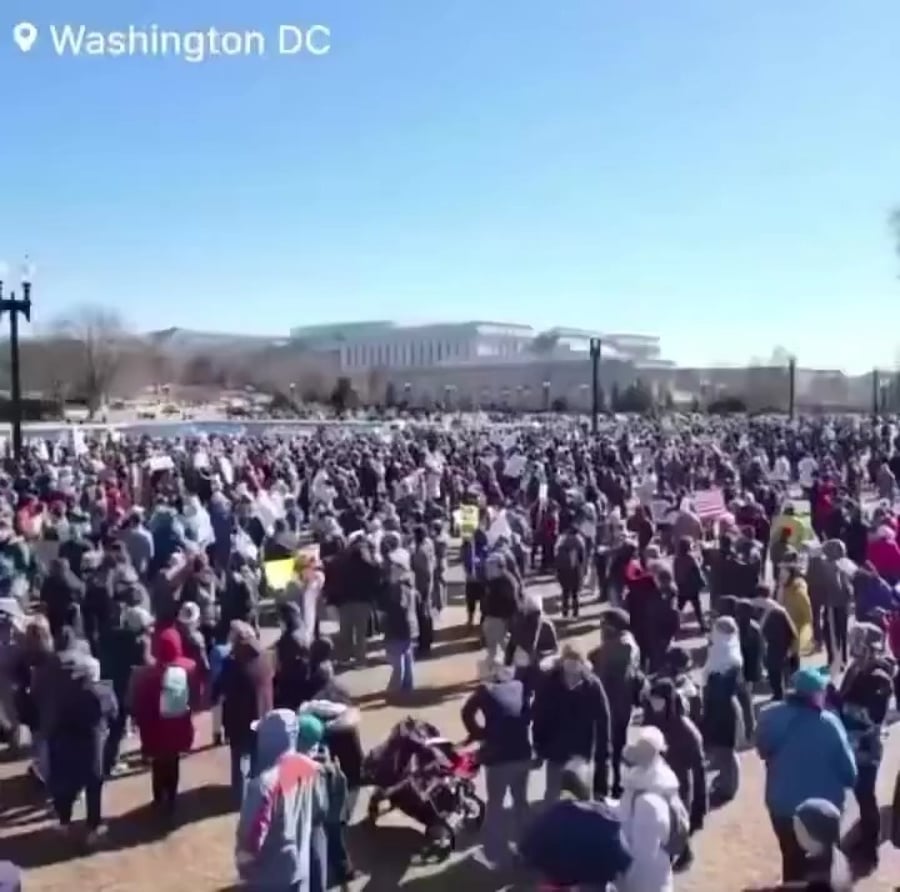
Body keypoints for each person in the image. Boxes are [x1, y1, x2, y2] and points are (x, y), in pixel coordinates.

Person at [756, 667, 858, 884]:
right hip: (821, 812)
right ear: (815, 695)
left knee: (791, 860)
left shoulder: (769, 715)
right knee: (824, 866)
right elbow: (850, 773)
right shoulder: (829, 724)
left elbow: (763, 749)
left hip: (782, 807)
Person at [235, 709, 327, 892]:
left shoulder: (263, 785)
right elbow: (320, 809)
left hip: (269, 878)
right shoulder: (310, 768)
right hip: (299, 869)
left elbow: (251, 838)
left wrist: (245, 869)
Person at [832, 622, 894, 871]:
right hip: (851, 741)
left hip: (866, 746)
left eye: (859, 642)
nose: (855, 648)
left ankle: (870, 849)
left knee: (866, 795)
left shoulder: (880, 677)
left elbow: (875, 716)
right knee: (857, 792)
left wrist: (841, 705)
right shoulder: (857, 668)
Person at [518, 759, 632, 890]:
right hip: (593, 885)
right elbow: (622, 861)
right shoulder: (605, 819)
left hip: (556, 884)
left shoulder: (550, 817)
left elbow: (527, 852)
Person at [460, 658, 531, 866]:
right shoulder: (519, 686)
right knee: (521, 803)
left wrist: (480, 733)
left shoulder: (485, 690)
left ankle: (492, 854)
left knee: (495, 806)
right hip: (522, 754)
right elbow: (527, 716)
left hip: (499, 757)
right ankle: (525, 849)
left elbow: (466, 713)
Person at [47, 656, 118, 846]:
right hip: (94, 745)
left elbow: (56, 718)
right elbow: (114, 713)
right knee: (94, 787)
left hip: (68, 744)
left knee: (67, 788)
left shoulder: (65, 692)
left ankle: (64, 823)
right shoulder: (104, 690)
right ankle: (92, 829)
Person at [130, 626, 199, 822]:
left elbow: (140, 703)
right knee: (173, 762)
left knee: (158, 764)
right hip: (178, 727)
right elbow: (195, 696)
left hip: (155, 729)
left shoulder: (148, 675)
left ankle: (158, 798)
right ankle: (172, 800)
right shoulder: (189, 668)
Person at [532, 644, 611, 802]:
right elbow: (538, 715)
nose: (572, 667)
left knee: (581, 795)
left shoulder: (592, 685)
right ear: (562, 662)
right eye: (568, 662)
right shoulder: (549, 683)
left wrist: (603, 752)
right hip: (555, 751)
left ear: (582, 664)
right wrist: (539, 746)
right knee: (552, 795)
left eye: (576, 662)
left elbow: (603, 719)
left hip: (580, 753)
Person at [643, 676, 707, 870]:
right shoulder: (651, 720)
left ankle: (684, 854)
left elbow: (699, 767)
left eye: (659, 700)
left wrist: (700, 804)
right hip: (656, 778)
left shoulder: (685, 729)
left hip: (679, 783)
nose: (655, 704)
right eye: (653, 700)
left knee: (678, 820)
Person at [212, 620, 274, 805]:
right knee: (258, 756)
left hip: (238, 717)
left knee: (239, 757)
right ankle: (259, 792)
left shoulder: (232, 663)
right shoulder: (265, 657)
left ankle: (240, 797)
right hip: (262, 714)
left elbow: (219, 688)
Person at [617, 726, 685, 892]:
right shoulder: (660, 786)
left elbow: (642, 857)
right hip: (659, 877)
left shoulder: (647, 803)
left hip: (645, 883)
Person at [588, 606, 642, 797]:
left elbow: (594, 657)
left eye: (604, 624)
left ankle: (602, 788)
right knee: (618, 747)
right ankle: (617, 784)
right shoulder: (628, 643)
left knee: (604, 749)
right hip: (622, 703)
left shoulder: (619, 646)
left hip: (611, 704)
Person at [702, 615, 748, 804]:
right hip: (721, 705)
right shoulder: (725, 651)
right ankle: (725, 782)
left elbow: (722, 686)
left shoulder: (727, 658)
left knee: (727, 751)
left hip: (723, 708)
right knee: (724, 751)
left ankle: (729, 786)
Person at [791, 798, 853, 891]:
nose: (795, 832)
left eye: (798, 829)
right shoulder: (835, 856)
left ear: (809, 834)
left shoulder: (817, 870)